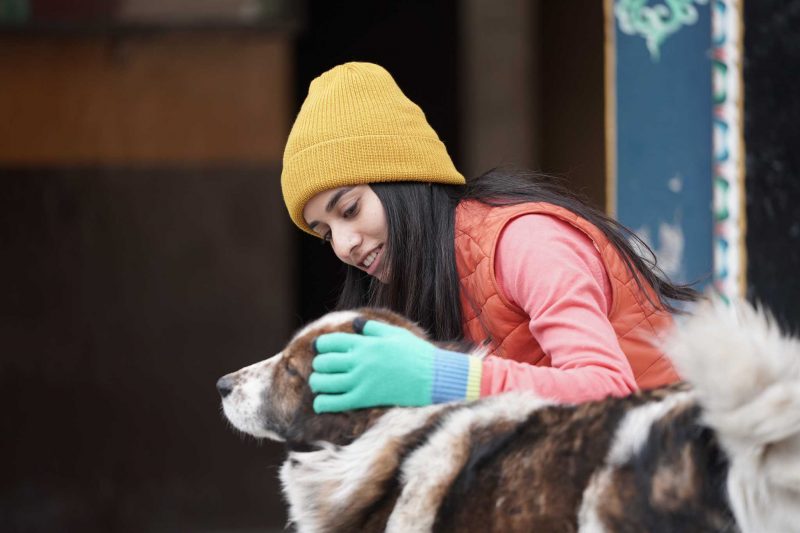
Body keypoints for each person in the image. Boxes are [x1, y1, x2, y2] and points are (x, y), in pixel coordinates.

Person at [280, 62, 697, 413]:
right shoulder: (417, 281)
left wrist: (441, 375)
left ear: (405, 180)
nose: (343, 245)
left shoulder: (525, 241)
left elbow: (609, 390)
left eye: (350, 210)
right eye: (325, 233)